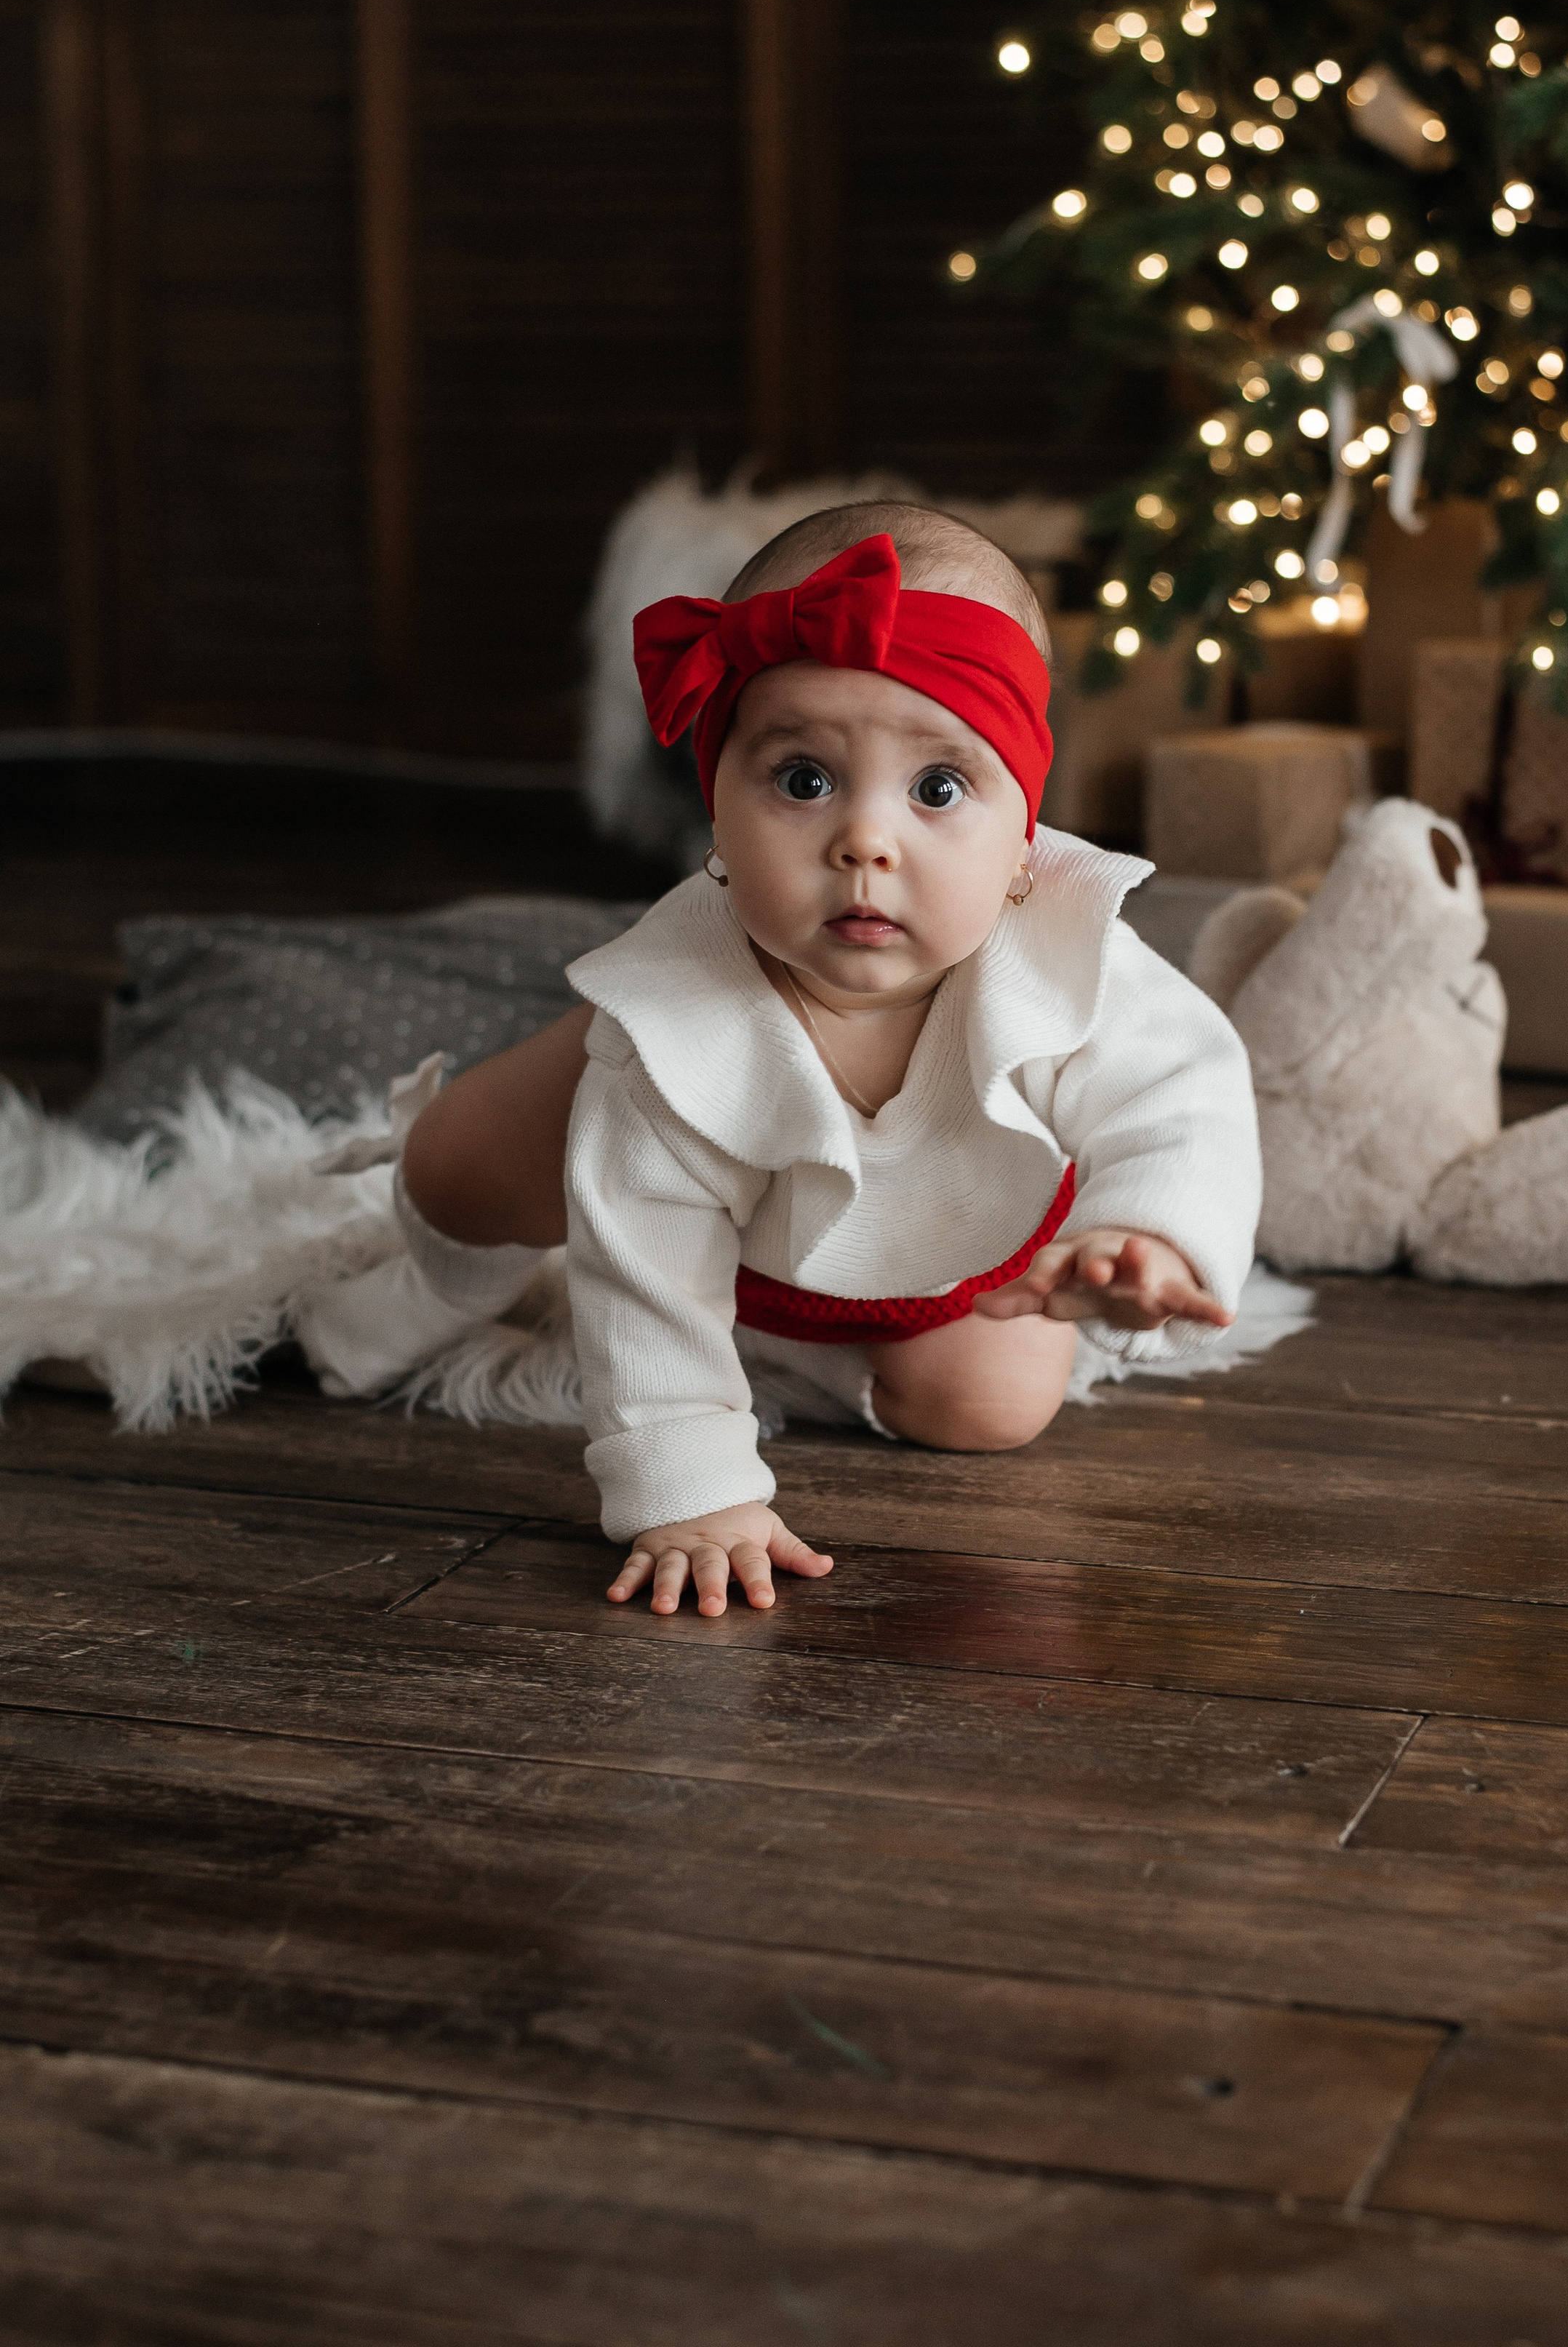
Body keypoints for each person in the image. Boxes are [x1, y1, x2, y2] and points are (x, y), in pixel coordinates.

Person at [301, 502, 1262, 1619]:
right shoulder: (671, 1033)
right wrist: (692, 1485)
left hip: (920, 1232)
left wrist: (1146, 1230)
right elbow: (642, 1270)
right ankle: (444, 1253)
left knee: (990, 1410)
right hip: (669, 1128)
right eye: (803, 780)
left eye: (938, 789)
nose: (865, 840)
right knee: (475, 1169)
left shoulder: (1072, 958)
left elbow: (1182, 1096)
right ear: (715, 810)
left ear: (1024, 843)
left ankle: (784, 1339)